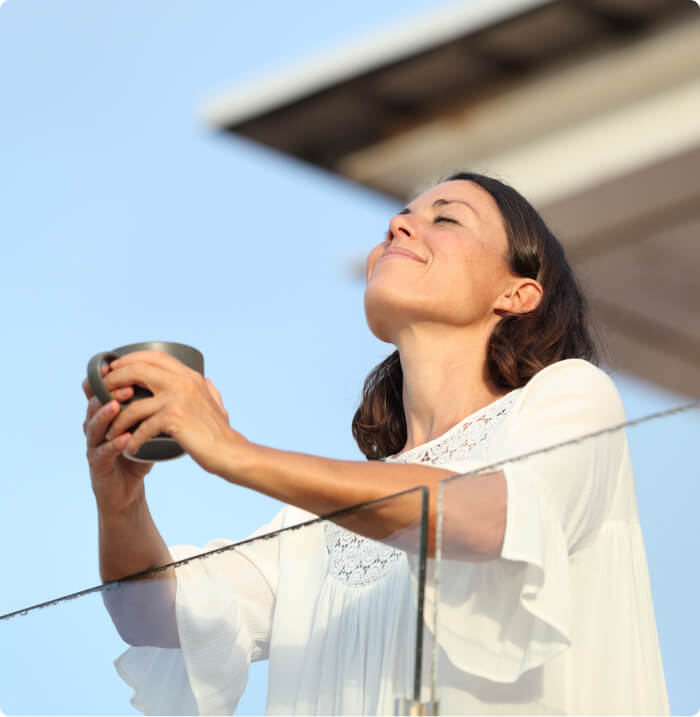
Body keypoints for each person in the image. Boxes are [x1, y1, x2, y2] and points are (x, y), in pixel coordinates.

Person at [82, 172, 670, 715]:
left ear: (518, 293)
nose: (399, 226)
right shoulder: (316, 522)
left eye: (447, 217)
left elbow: (490, 518)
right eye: (400, 215)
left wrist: (232, 450)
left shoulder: (570, 396)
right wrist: (120, 498)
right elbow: (151, 613)